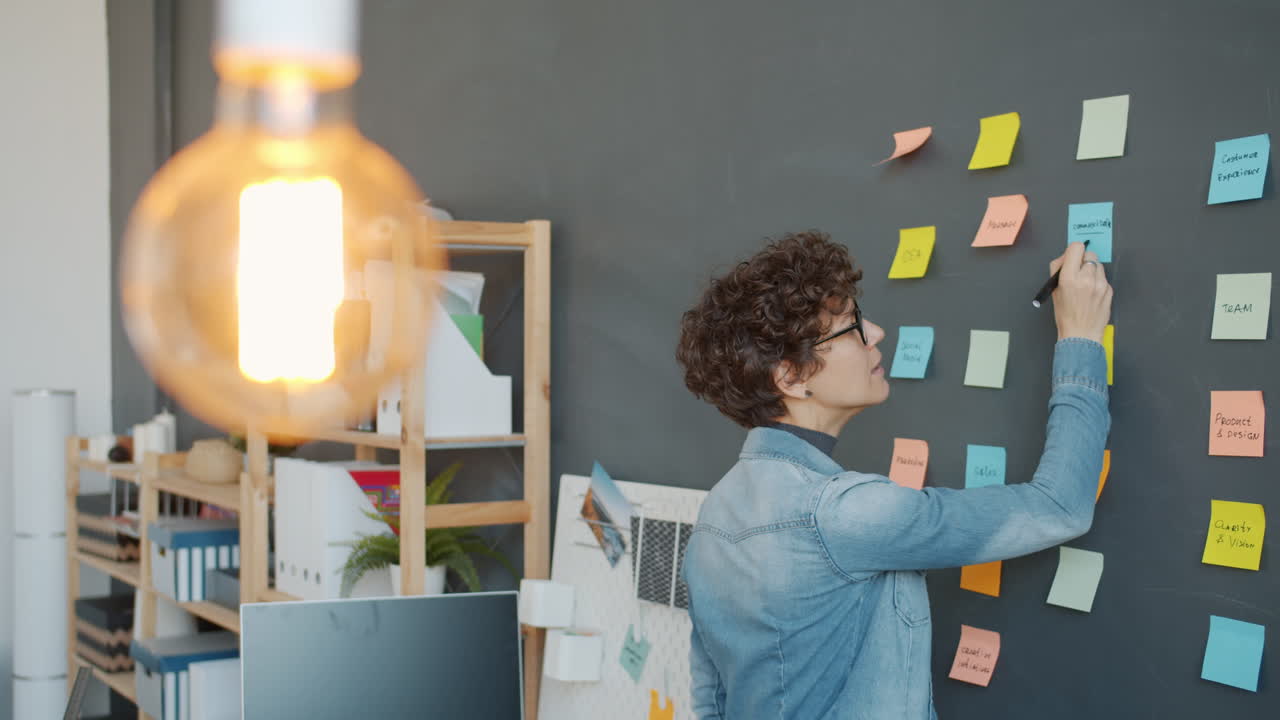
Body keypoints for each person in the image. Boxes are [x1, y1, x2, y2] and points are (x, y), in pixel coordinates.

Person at [675, 231, 1112, 719]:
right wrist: (1081, 337)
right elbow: (1060, 507)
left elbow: (709, 698)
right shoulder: (847, 512)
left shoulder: (713, 514)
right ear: (792, 378)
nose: (876, 332)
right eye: (850, 326)